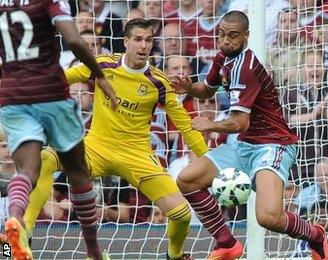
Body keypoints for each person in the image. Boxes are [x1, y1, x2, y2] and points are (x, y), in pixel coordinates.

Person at [22, 19, 205, 260]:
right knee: (46, 157)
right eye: (138, 39)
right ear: (126, 42)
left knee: (182, 214)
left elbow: (186, 126)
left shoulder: (159, 82)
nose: (144, 46)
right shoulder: (102, 64)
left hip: (137, 155)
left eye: (148, 40)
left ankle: (175, 254)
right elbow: (64, 78)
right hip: (97, 148)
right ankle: (24, 233)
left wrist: (206, 159)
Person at [170, 11, 328, 260]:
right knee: (186, 180)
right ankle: (226, 243)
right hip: (243, 145)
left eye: (233, 36)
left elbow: (240, 123)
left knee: (268, 218)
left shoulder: (245, 68)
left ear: (246, 36)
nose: (225, 40)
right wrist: (189, 87)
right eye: (222, 34)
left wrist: (209, 125)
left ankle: (315, 235)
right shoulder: (224, 56)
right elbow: (206, 88)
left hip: (272, 145)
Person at [0, 0, 118, 259]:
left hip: (12, 93)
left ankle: (14, 218)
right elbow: (74, 40)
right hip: (51, 92)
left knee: (27, 172)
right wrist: (99, 74)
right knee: (78, 170)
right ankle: (94, 251)